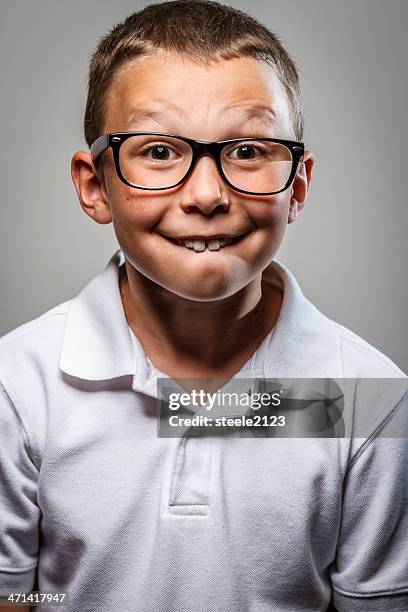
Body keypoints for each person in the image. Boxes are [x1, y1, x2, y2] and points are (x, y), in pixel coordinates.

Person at [0, 1, 407, 611]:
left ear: (296, 185)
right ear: (94, 185)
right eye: (159, 151)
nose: (208, 195)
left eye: (247, 150)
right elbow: (23, 601)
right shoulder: (18, 385)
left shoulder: (367, 396)